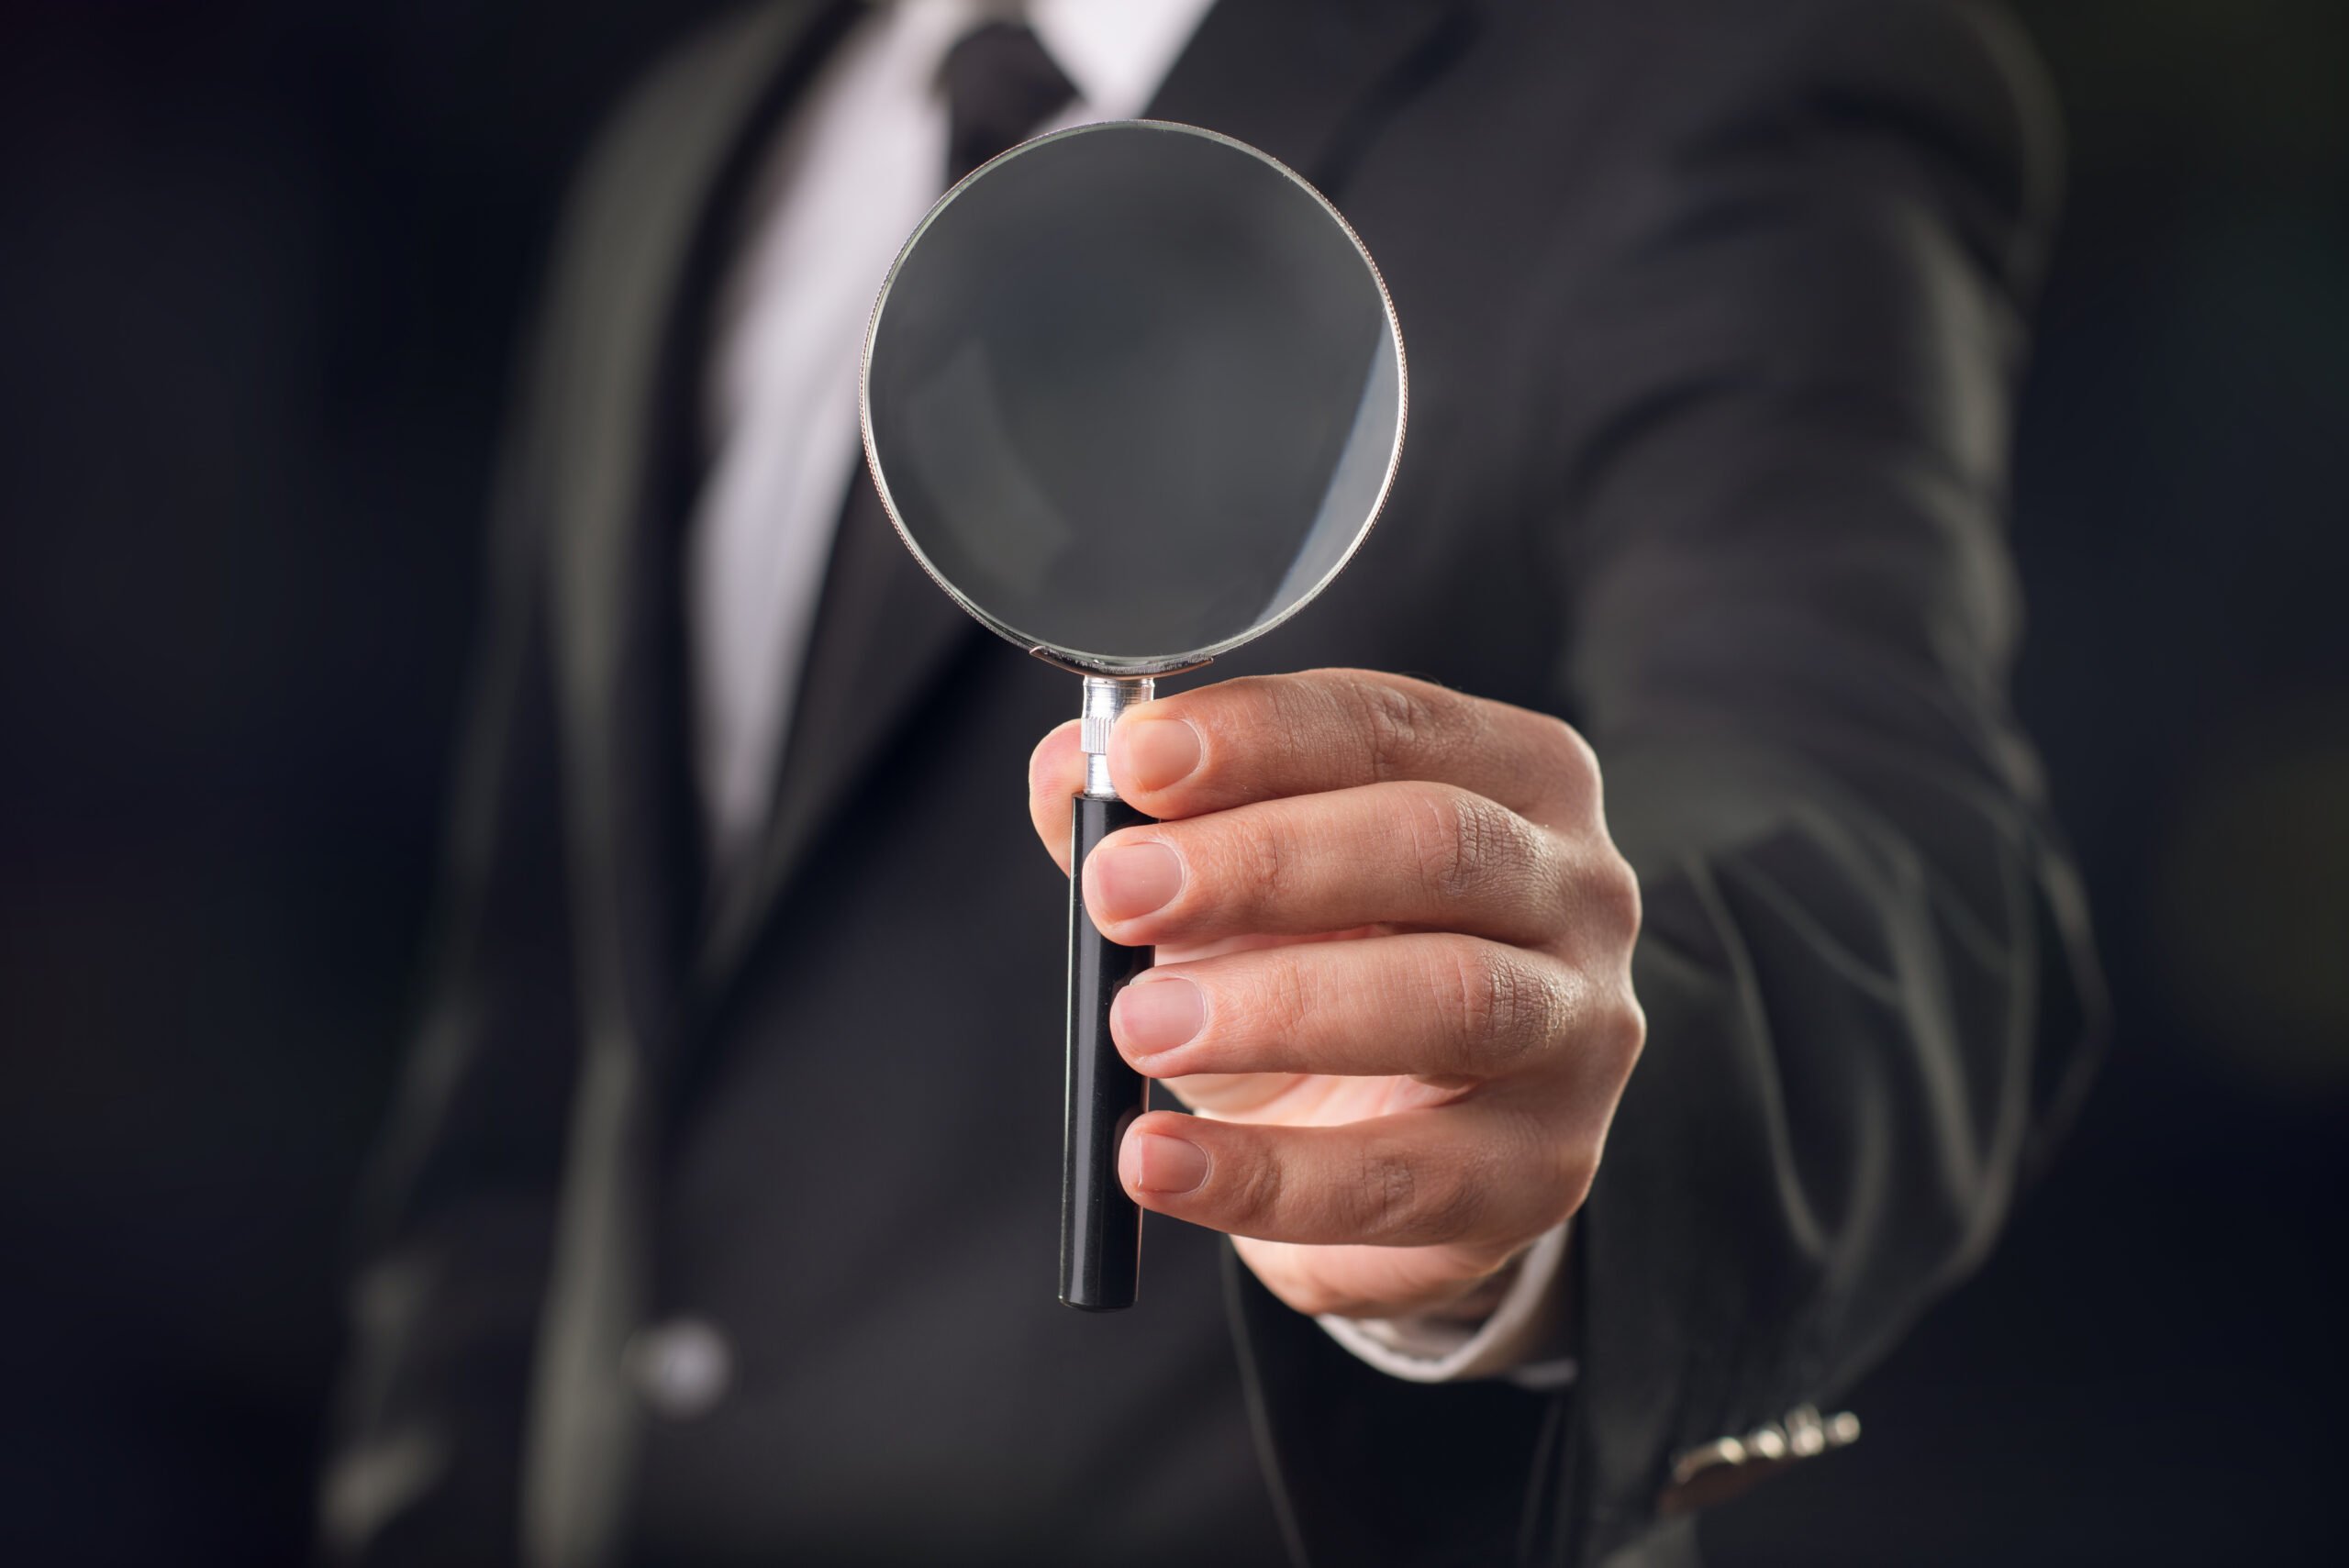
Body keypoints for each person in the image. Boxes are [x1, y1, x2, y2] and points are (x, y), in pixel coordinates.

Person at [322, 2, 2101, 1564]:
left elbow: (1875, 856)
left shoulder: (1709, 64)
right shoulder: (693, 139)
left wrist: (1527, 1131)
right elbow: (534, 1071)